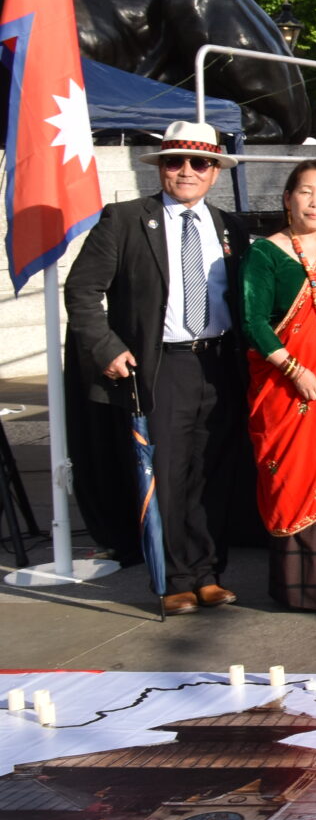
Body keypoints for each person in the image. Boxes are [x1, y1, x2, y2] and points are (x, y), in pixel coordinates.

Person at [65, 121, 245, 615]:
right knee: (166, 474)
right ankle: (174, 579)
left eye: (199, 162)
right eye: (174, 161)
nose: (187, 171)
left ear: (214, 172)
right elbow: (82, 290)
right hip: (162, 366)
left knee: (212, 473)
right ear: (160, 167)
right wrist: (106, 347)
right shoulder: (124, 220)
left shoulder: (230, 227)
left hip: (219, 364)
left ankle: (208, 572)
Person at [241, 160, 316, 611]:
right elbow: (253, 321)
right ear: (287, 199)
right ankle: (298, 589)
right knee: (290, 477)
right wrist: (294, 370)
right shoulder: (265, 253)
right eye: (306, 191)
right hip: (285, 387)